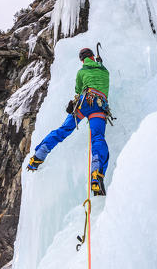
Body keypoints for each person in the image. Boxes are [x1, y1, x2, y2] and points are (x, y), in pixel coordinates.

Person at [27, 47, 110, 196]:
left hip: (84, 103)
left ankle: (38, 157)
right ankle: (96, 173)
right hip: (99, 106)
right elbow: (102, 73)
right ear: (92, 56)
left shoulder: (81, 72)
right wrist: (100, 63)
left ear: (82, 60)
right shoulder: (105, 71)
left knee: (63, 130)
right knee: (98, 137)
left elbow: (78, 91)